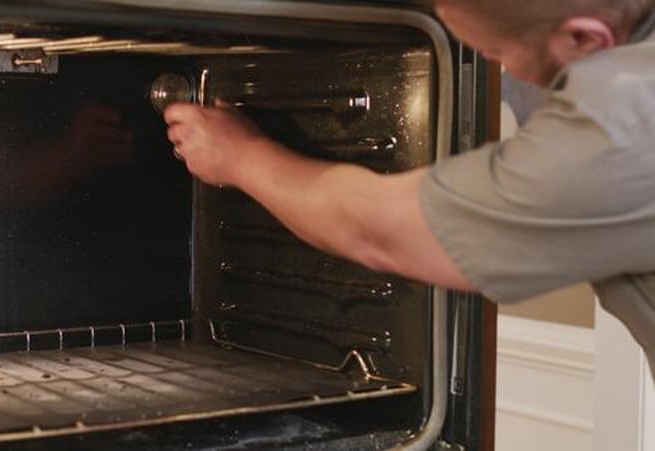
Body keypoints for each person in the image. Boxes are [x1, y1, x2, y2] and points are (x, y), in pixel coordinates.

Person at [163, 0, 655, 379]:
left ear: (586, 37)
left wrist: (241, 156)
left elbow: (380, 231)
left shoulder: (627, 122)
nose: (507, 79)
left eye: (501, 55)